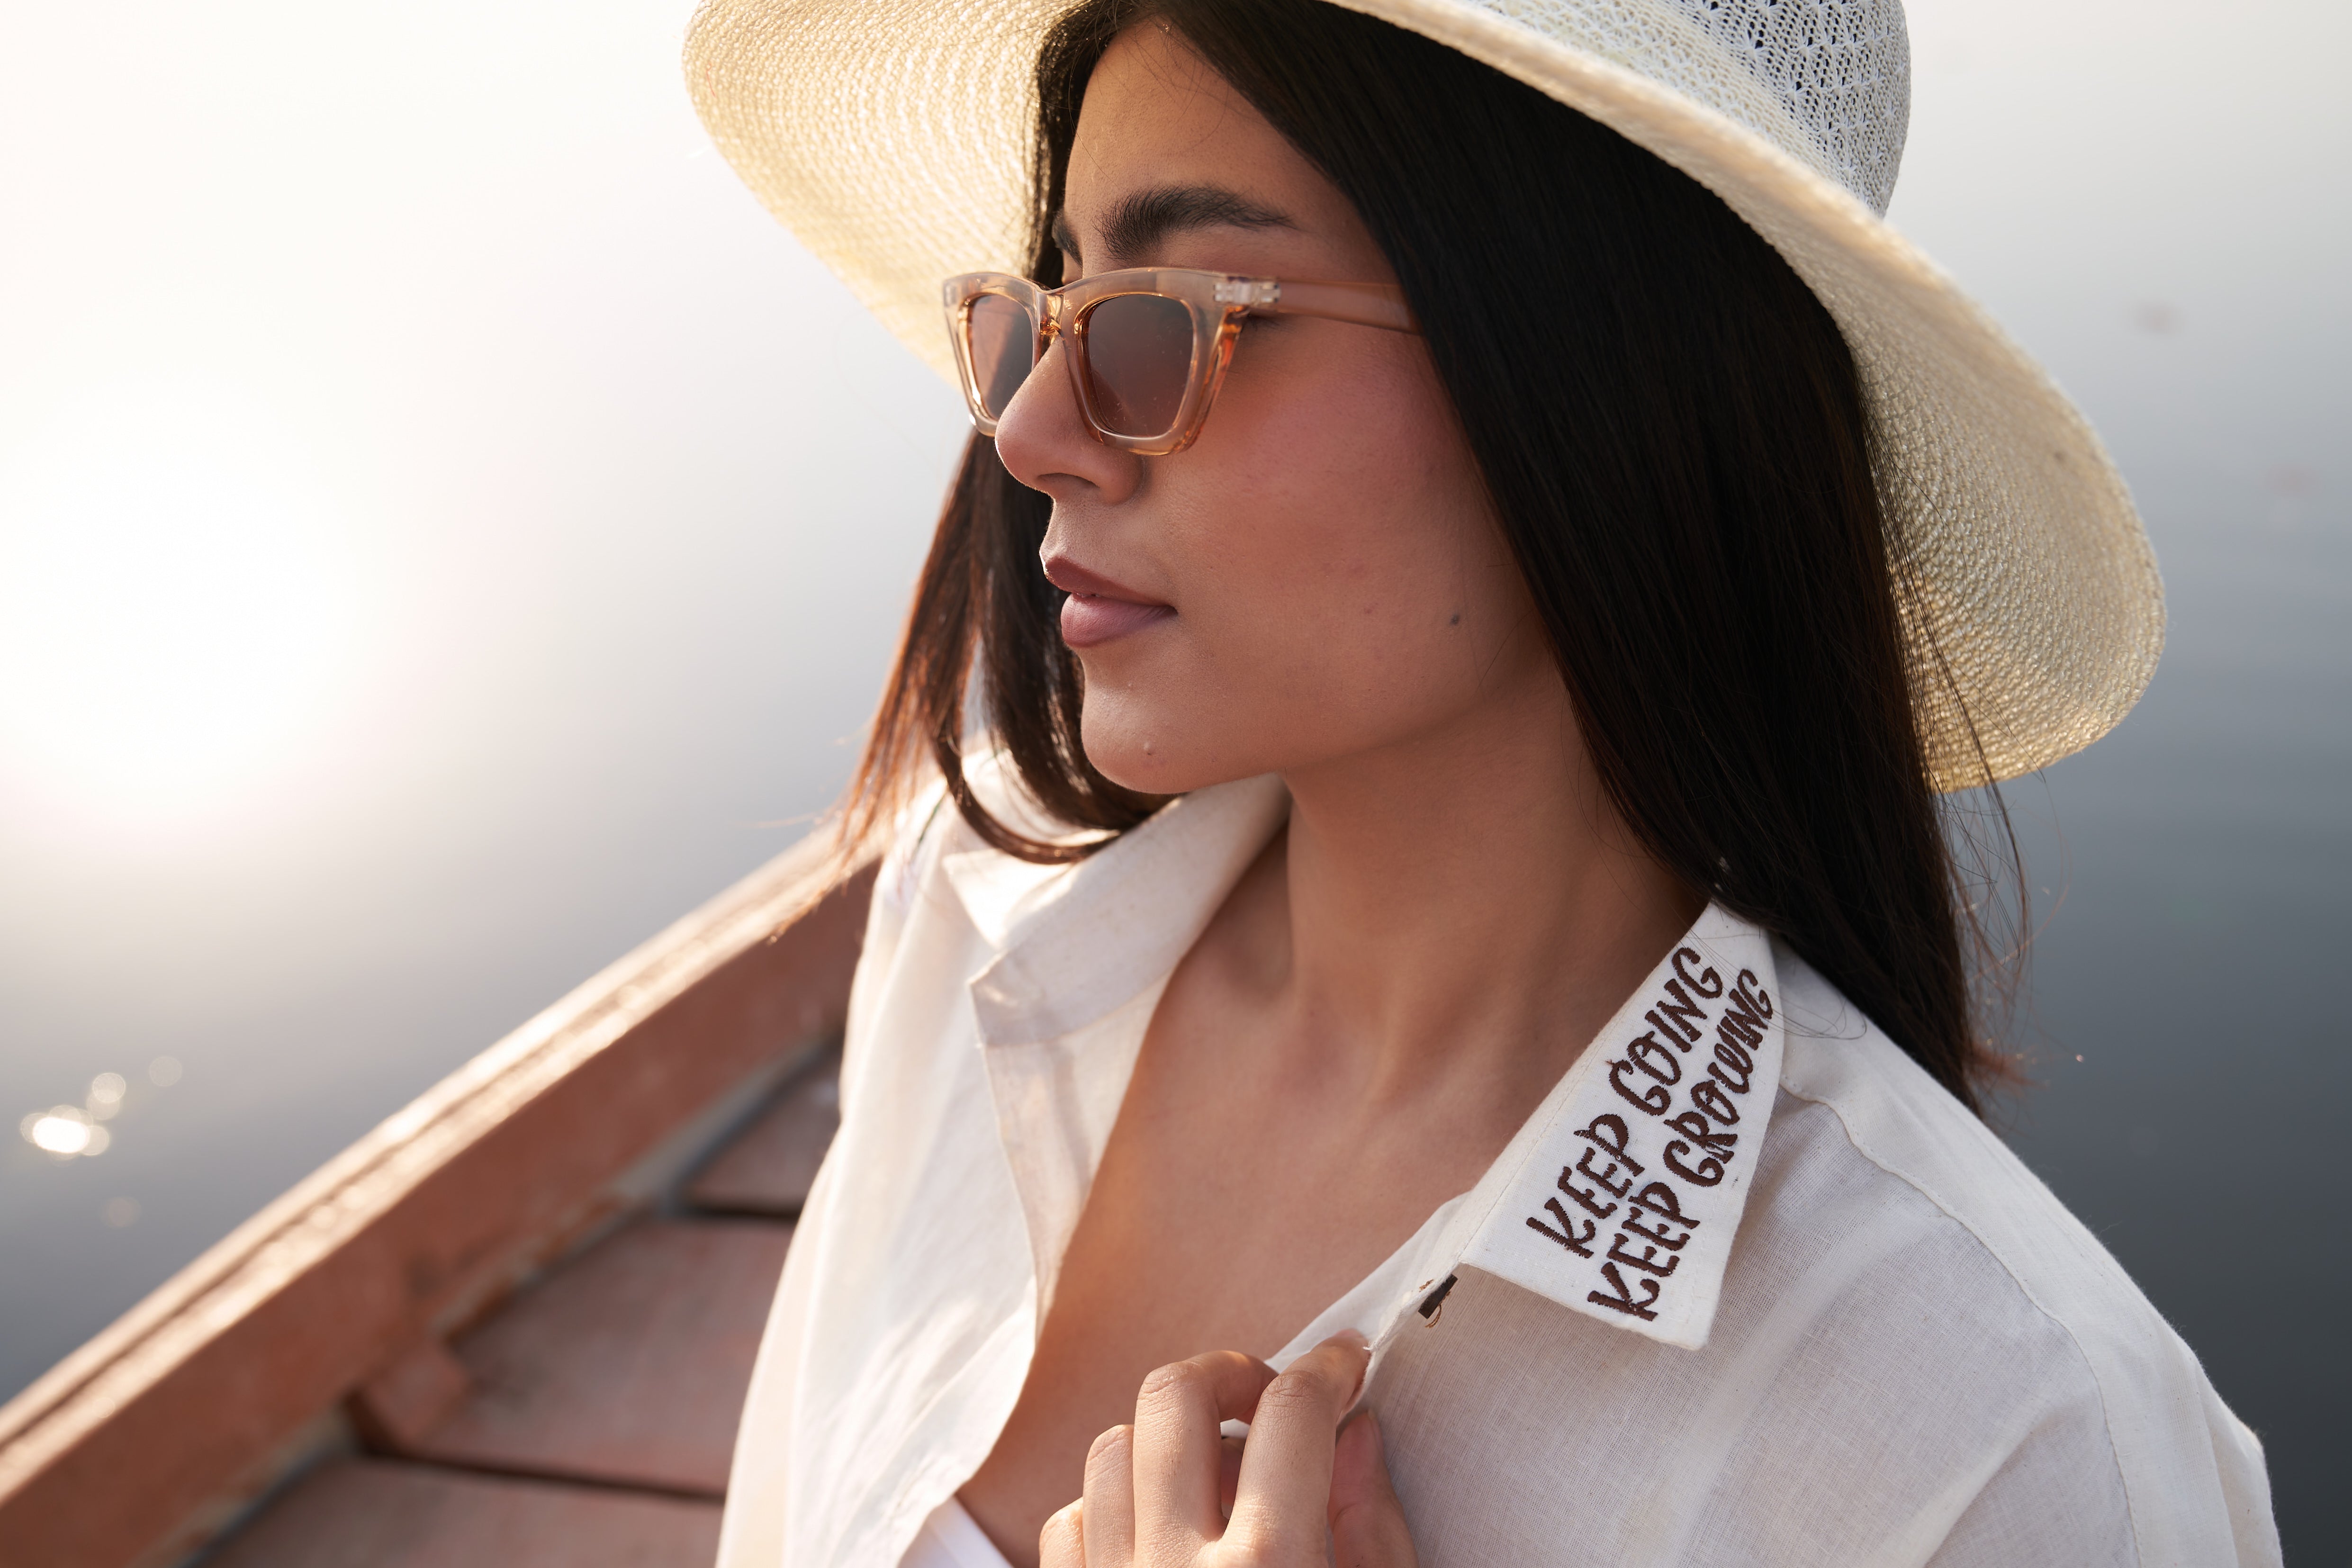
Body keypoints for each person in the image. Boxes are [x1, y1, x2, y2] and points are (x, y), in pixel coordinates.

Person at [686, 0, 2281, 1563]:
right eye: (1053, 309)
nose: (1034, 429)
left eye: (1173, 313)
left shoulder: (2002, 1449)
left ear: (1611, 382)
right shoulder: (989, 905)